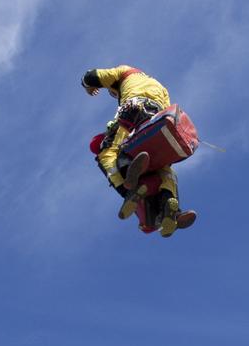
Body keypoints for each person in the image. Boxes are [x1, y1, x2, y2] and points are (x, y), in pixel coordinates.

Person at [82, 64, 196, 236]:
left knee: (110, 154)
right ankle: (170, 208)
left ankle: (128, 189)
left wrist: (88, 85)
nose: (114, 94)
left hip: (133, 111)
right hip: (155, 120)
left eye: (113, 92)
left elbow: (92, 76)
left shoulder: (124, 73)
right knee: (163, 168)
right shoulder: (160, 86)